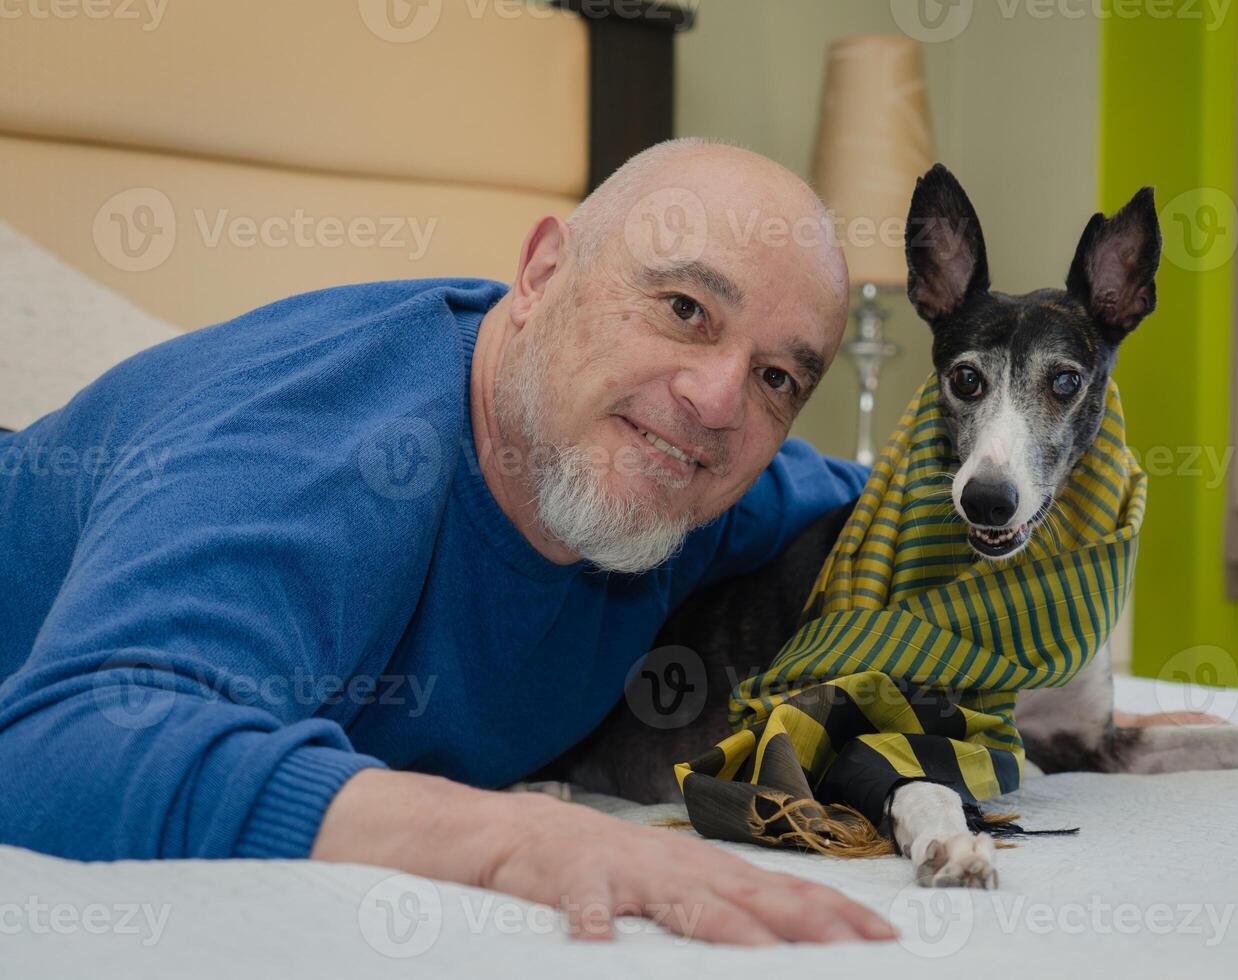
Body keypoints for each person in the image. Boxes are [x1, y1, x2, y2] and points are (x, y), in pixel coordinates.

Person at [0, 139, 899, 945]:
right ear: (543, 273)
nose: (717, 400)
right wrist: (504, 838)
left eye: (777, 376)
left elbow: (903, 510)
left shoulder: (689, 478)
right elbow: (54, 745)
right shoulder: (331, 449)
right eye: (684, 307)